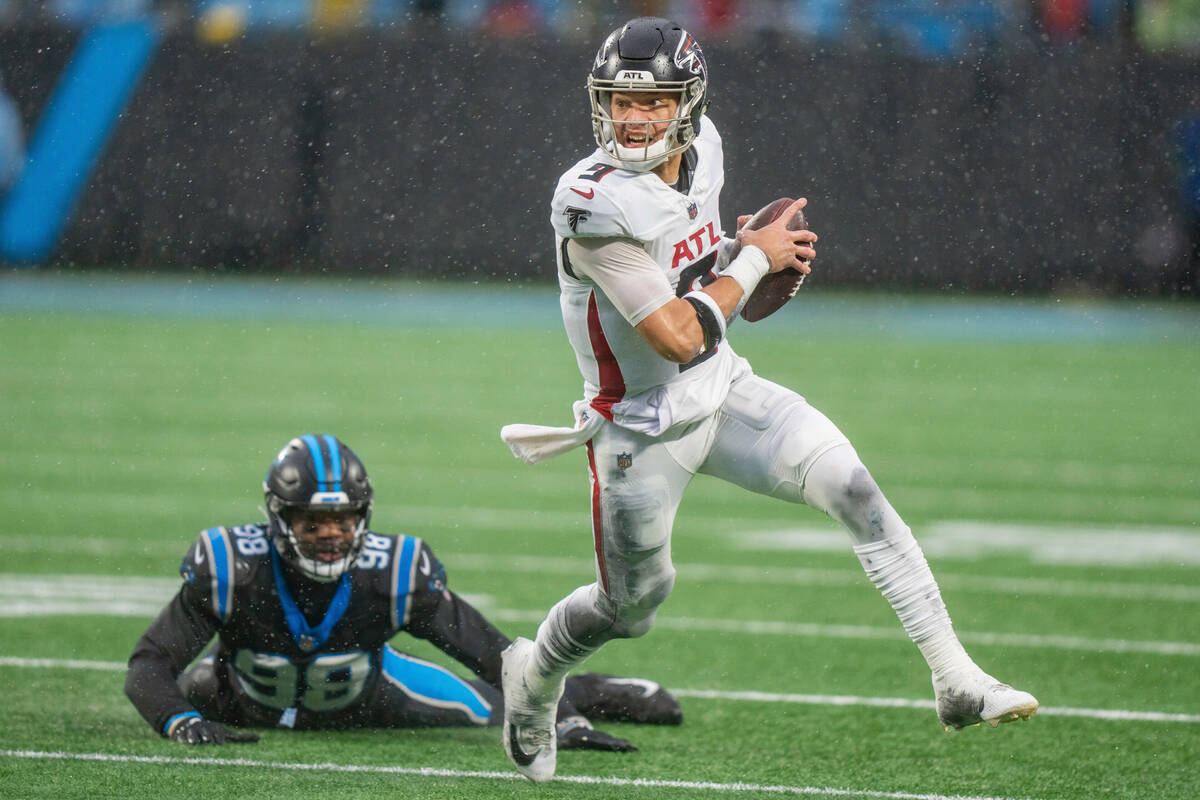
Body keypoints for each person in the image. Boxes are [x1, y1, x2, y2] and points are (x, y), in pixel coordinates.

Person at [497, 16, 1038, 782]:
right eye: (618, 100)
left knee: (854, 488)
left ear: (690, 104)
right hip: (639, 428)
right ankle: (535, 674)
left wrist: (732, 253)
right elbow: (677, 334)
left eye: (651, 103)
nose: (631, 117)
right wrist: (751, 263)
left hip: (722, 388)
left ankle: (955, 679)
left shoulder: (705, 148)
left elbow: (696, 275)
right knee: (633, 606)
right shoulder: (589, 202)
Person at [125, 434, 681, 749]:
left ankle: (595, 691)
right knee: (190, 687)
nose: (330, 534)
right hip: (242, 697)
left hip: (371, 693)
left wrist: (563, 721)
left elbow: (495, 656)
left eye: (343, 520)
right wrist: (180, 720)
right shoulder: (232, 568)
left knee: (492, 703)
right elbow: (149, 663)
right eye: (313, 521)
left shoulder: (391, 573)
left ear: (363, 516)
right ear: (280, 519)